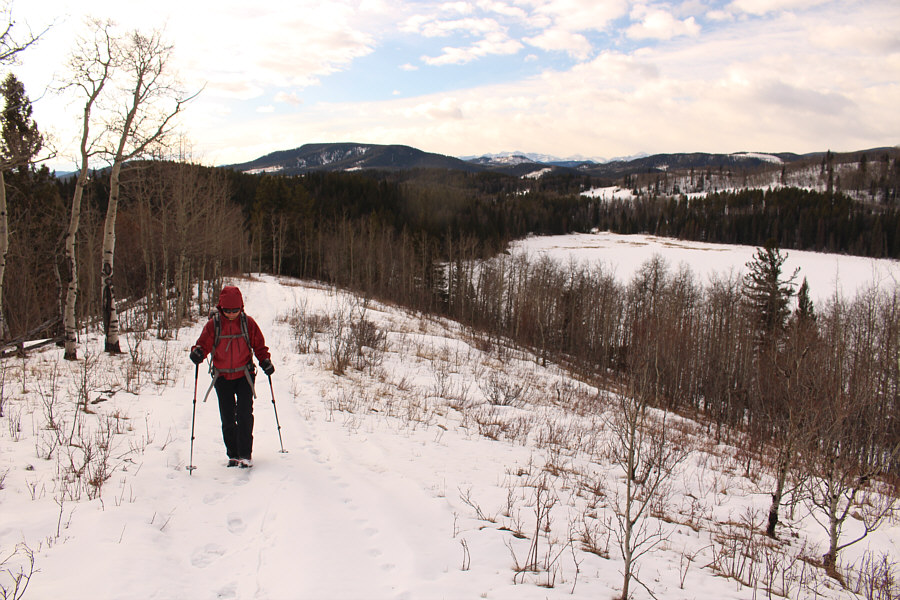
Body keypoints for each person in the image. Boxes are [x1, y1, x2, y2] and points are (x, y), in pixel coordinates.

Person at [189, 285, 274, 468]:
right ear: (221, 308)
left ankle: (245, 454)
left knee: (244, 414)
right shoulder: (214, 325)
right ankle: (233, 454)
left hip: (244, 375)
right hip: (222, 377)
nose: (232, 314)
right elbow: (202, 344)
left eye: (235, 310)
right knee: (227, 417)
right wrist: (197, 353)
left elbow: (259, 346)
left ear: (241, 307)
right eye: (228, 310)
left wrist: (265, 361)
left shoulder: (248, 323)